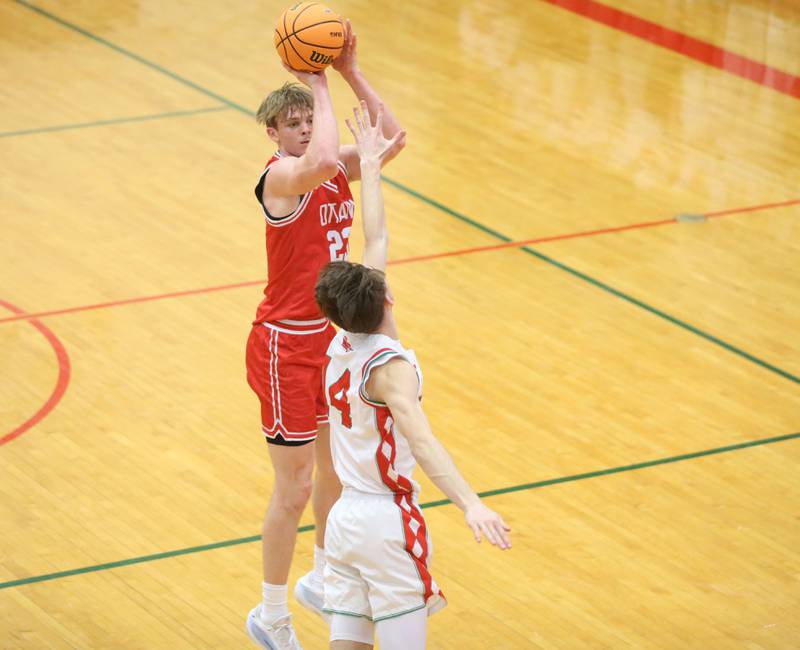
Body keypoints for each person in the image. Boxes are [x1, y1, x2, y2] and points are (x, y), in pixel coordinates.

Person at [315, 104, 511, 650]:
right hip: (385, 519)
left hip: (343, 519)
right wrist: (471, 502)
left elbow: (374, 239)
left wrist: (371, 166)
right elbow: (420, 440)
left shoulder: (340, 342)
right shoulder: (391, 369)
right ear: (389, 298)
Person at [245, 20, 406, 650]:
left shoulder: (332, 167)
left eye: (310, 118)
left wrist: (348, 71)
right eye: (293, 121)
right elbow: (316, 161)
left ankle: (320, 578)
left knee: (336, 471)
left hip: (331, 341)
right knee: (296, 489)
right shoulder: (281, 179)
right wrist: (313, 79)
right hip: (284, 344)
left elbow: (391, 139)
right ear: (274, 134)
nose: (306, 127)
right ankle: (270, 614)